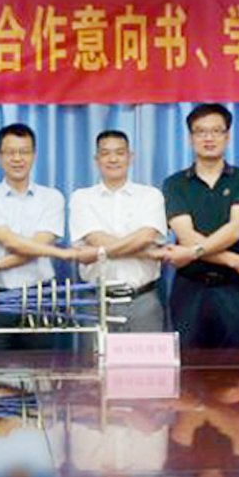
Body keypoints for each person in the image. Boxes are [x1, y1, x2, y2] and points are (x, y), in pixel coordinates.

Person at [0, 123, 95, 346]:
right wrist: (64, 254)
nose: (17, 159)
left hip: (40, 295)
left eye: (24, 152)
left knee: (40, 364)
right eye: (10, 152)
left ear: (34, 155)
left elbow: (37, 246)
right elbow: (11, 242)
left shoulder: (52, 198)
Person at [162, 103, 239, 349]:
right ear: (190, 138)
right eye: (201, 131)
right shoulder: (174, 183)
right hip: (189, 288)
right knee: (187, 366)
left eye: (216, 131)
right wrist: (234, 260)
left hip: (232, 288)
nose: (209, 138)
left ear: (227, 136)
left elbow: (237, 229)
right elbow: (185, 235)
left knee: (235, 366)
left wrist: (193, 252)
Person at [69, 130, 167, 332]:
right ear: (96, 159)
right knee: (94, 355)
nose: (113, 159)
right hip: (96, 303)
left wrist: (99, 252)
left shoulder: (151, 195)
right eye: (105, 153)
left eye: (120, 153)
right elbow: (95, 238)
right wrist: (147, 252)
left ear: (130, 157)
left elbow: (146, 236)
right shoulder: (82, 197)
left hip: (143, 301)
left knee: (148, 355)